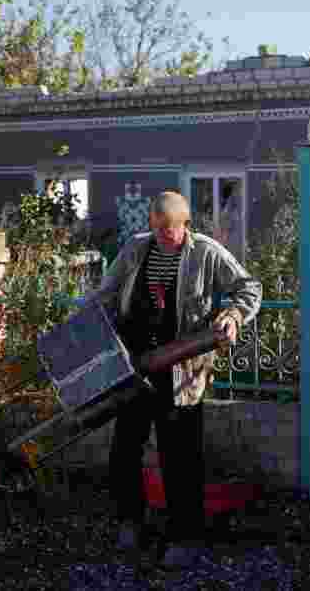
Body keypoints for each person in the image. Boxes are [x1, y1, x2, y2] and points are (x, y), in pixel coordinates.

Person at [83, 191, 262, 568]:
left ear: (185, 225)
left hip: (182, 371)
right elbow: (106, 294)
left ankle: (184, 536)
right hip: (135, 367)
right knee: (125, 450)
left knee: (180, 456)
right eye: (157, 229)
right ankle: (131, 521)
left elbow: (250, 288)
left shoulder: (206, 252)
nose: (162, 236)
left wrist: (232, 316)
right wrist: (83, 329)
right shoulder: (136, 249)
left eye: (169, 230)